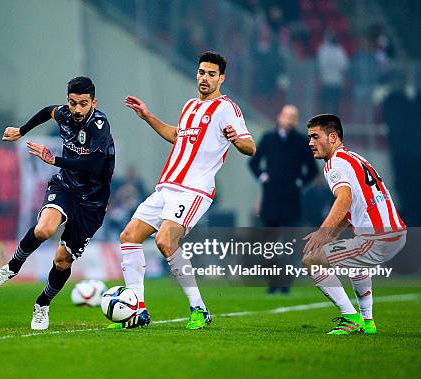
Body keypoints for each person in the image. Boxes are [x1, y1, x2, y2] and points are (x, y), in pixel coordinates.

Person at [117, 51, 256, 330]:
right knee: (129, 236)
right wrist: (147, 117)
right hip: (167, 186)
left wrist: (236, 140)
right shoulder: (190, 105)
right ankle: (138, 310)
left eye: (211, 74)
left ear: (221, 78)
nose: (205, 78)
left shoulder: (228, 108)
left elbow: (250, 146)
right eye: (202, 72)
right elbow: (176, 135)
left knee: (165, 241)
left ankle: (199, 309)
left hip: (195, 190)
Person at [0, 77, 115, 330]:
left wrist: (53, 159)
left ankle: (42, 304)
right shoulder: (64, 113)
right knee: (44, 229)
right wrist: (21, 130)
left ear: (93, 103)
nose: (77, 109)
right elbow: (47, 112)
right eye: (73, 103)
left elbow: (93, 166)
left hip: (92, 203)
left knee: (62, 261)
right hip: (65, 186)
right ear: (68, 100)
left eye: (83, 104)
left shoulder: (99, 125)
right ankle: (11, 267)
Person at [302, 114, 406, 335]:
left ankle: (351, 318)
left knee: (312, 260)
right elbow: (351, 210)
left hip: (377, 237)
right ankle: (368, 322)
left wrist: (323, 233)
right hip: (395, 233)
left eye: (315, 136)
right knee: (356, 263)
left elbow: (344, 199)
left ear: (332, 137)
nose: (310, 142)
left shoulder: (334, 164)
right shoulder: (355, 158)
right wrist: (333, 235)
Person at [248, 104, 318, 293]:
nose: (289, 120)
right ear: (280, 117)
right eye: (287, 115)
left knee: (289, 246)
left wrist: (299, 182)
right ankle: (273, 282)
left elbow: (312, 170)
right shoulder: (268, 139)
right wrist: (263, 177)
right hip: (270, 199)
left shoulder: (302, 142)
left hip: (291, 200)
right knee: (267, 245)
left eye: (293, 116)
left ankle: (285, 283)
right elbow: (254, 162)